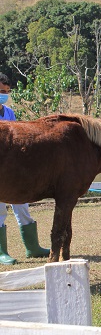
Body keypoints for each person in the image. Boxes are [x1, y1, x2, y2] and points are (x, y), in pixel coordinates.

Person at [0, 73, 50, 265]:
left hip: (13, 170)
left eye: (6, 91)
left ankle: (33, 248)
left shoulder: (9, 113)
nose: (4, 94)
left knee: (22, 206)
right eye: (1, 91)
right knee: (0, 211)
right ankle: (2, 252)